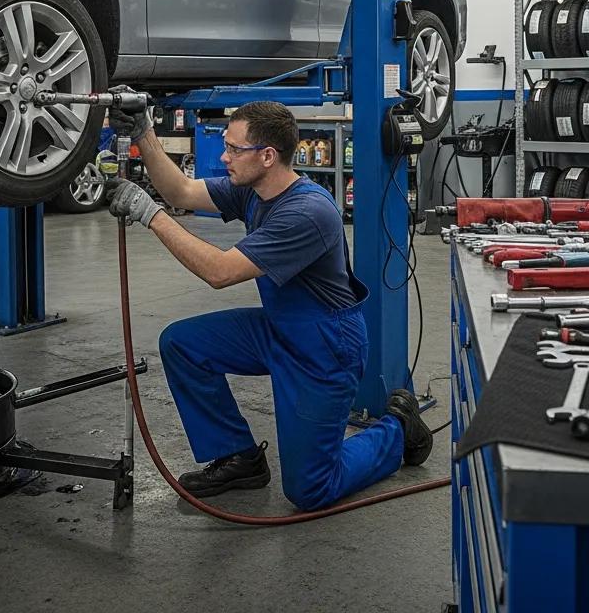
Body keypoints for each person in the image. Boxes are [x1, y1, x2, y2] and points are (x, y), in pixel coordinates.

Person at [104, 93, 433, 511]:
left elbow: (220, 272)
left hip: (325, 347)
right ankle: (239, 457)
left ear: (267, 156)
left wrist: (149, 213)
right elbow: (182, 190)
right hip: (279, 328)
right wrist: (145, 132)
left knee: (310, 489)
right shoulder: (253, 191)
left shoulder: (306, 212)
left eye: (233, 149)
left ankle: (396, 431)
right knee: (182, 343)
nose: (224, 157)